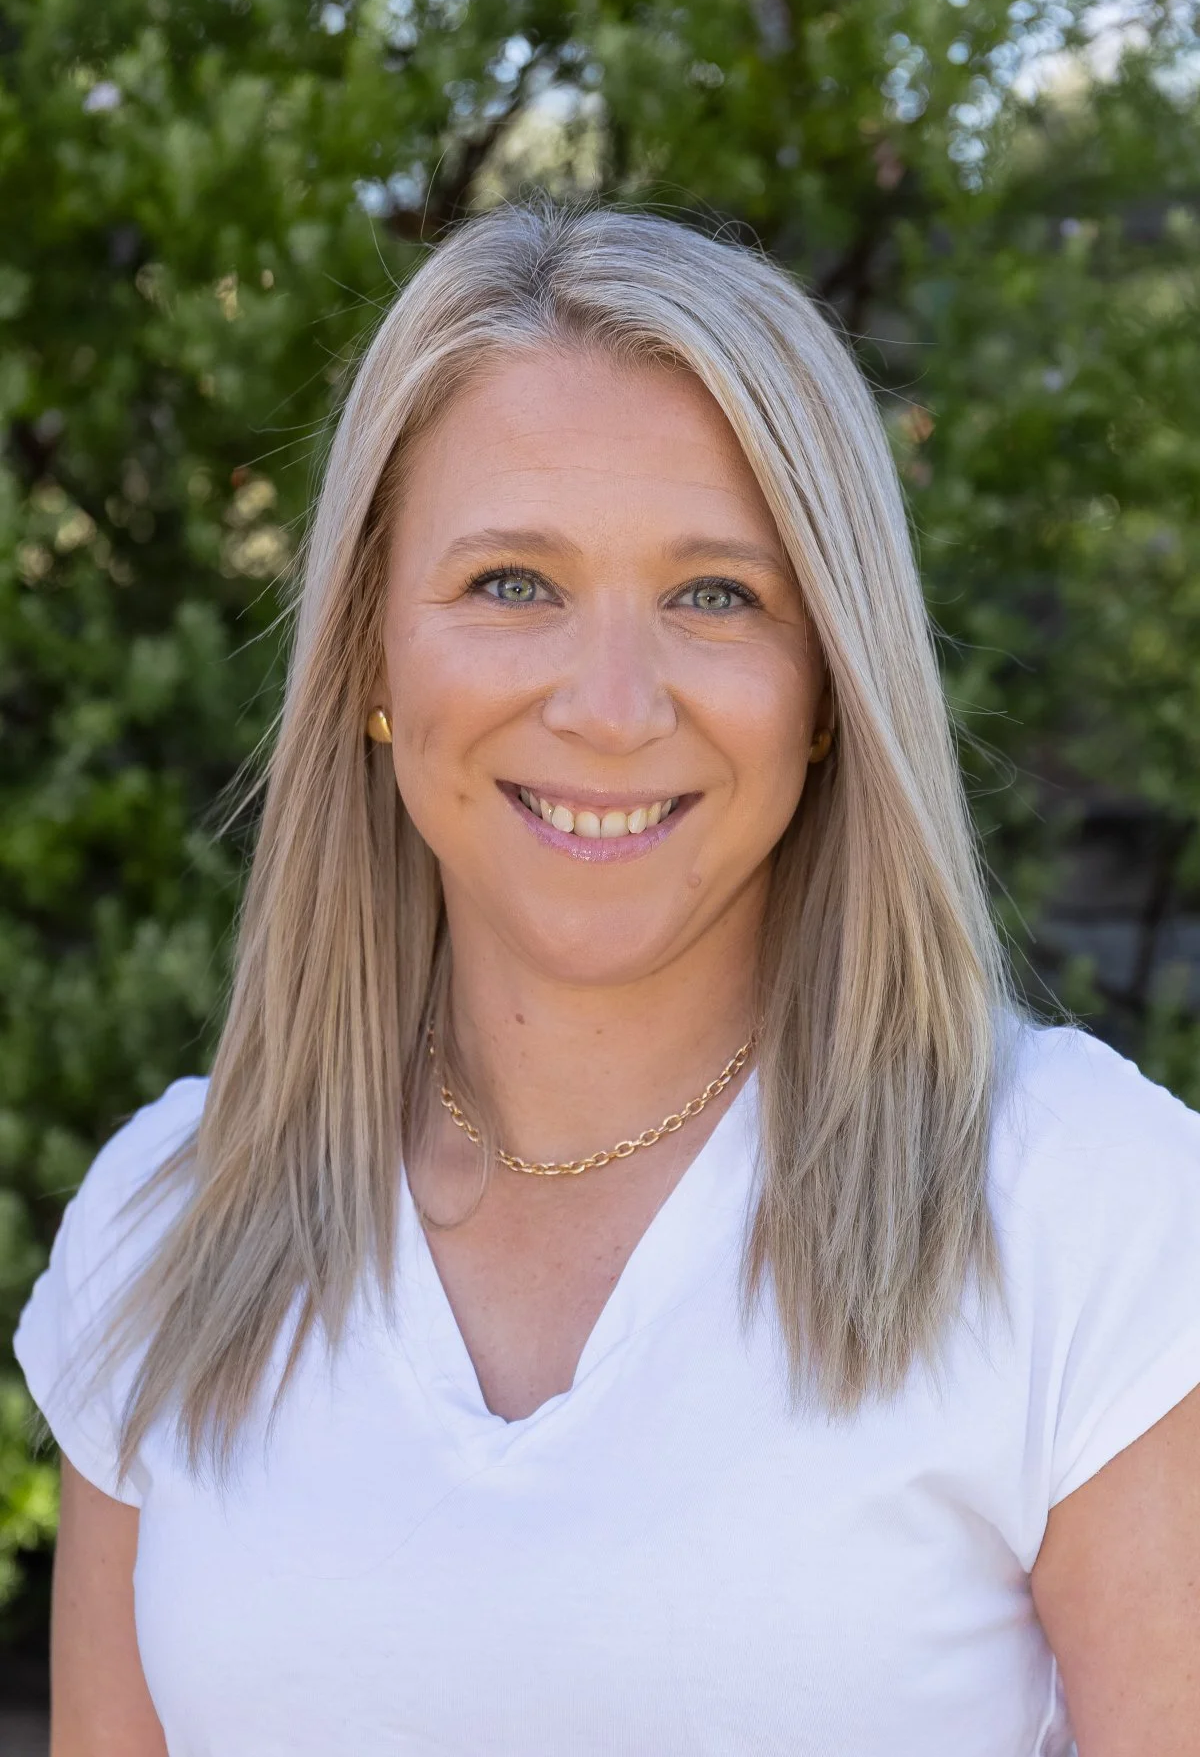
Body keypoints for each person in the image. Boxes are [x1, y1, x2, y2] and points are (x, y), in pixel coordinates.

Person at [13, 202, 1200, 1757]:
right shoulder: (166, 1226)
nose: (613, 705)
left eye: (717, 595)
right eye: (514, 582)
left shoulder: (1083, 1209)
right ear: (370, 658)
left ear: (828, 684)